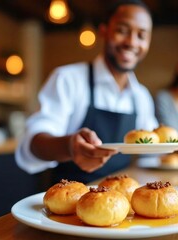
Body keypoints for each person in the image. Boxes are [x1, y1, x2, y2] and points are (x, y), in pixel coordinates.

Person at [15, 0, 158, 184]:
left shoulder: (141, 96)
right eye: (122, 30)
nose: (132, 42)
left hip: (122, 203)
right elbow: (32, 144)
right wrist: (70, 146)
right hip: (70, 201)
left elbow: (154, 152)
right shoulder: (67, 79)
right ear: (104, 30)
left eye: (141, 35)